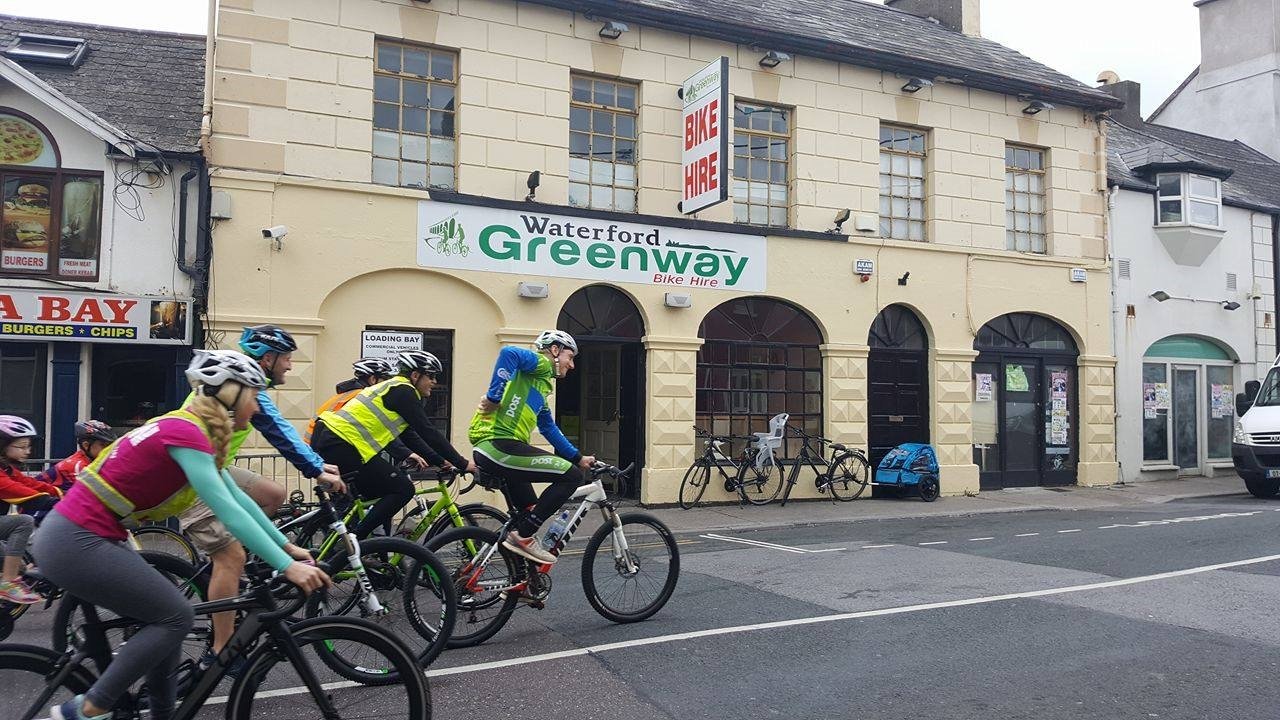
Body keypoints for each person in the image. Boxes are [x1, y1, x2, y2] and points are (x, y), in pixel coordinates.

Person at [32, 350, 331, 720]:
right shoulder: (186, 433)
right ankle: (88, 708)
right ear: (232, 395)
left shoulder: (190, 431)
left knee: (168, 620)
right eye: (254, 397)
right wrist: (285, 566)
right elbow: (227, 509)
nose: (255, 409)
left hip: (85, 535)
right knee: (175, 617)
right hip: (76, 539)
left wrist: (285, 544)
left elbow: (240, 498)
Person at [177, 325, 345, 671]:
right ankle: (222, 647)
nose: (290, 366)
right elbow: (279, 429)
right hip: (192, 473)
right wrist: (315, 469)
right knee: (232, 556)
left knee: (272, 493)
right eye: (286, 358)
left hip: (216, 465)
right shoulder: (241, 384)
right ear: (268, 358)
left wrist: (317, 464)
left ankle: (230, 568)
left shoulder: (243, 381)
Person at [312, 350, 475, 539]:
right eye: (430, 376)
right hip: (341, 443)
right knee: (403, 489)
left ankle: (363, 544)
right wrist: (463, 463)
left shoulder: (394, 388)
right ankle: (354, 544)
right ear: (415, 375)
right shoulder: (404, 391)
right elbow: (427, 431)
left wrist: (441, 461)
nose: (434, 382)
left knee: (374, 495)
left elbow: (409, 436)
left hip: (335, 441)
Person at [469, 330, 595, 565]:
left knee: (530, 510)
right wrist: (494, 396)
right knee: (571, 477)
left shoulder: (539, 385)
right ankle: (524, 536)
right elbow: (508, 353)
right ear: (555, 351)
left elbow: (549, 429)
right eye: (571, 356)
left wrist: (578, 457)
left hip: (500, 448)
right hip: (500, 444)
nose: (573, 365)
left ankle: (521, 581)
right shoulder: (541, 363)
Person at [0, 416, 52, 604]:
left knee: (20, 566)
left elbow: (31, 484)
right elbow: (24, 494)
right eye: (22, 447)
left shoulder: (7, 470)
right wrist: (52, 501)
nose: (27, 451)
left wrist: (67, 494)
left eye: (28, 446)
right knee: (23, 522)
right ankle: (7, 584)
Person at [36, 420, 115, 493]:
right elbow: (95, 495)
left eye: (110, 445)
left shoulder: (90, 461)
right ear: (86, 445)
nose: (109, 449)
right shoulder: (77, 466)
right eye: (104, 445)